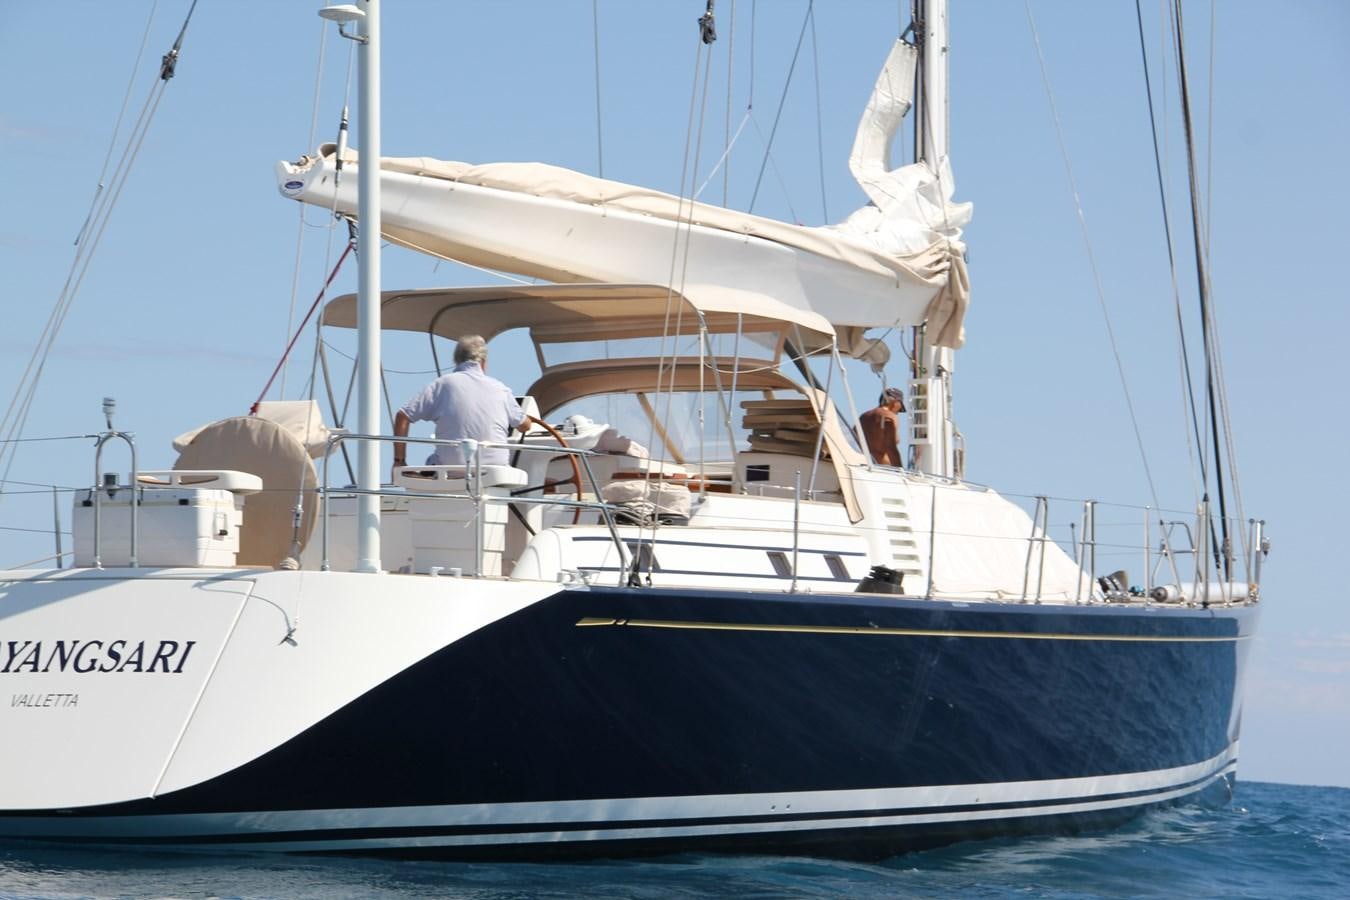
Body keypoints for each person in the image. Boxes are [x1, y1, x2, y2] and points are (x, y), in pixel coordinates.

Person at [393, 335, 528, 469]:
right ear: (483, 362)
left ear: (456, 360)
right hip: (496, 472)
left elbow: (403, 416)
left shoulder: (442, 384)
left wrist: (399, 461)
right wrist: (526, 420)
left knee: (431, 462)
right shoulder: (500, 389)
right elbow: (525, 426)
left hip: (451, 471)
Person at [859, 386, 905, 467]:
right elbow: (890, 447)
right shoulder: (889, 416)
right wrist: (901, 472)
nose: (898, 413)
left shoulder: (862, 418)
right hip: (882, 471)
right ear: (896, 403)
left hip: (863, 468)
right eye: (900, 408)